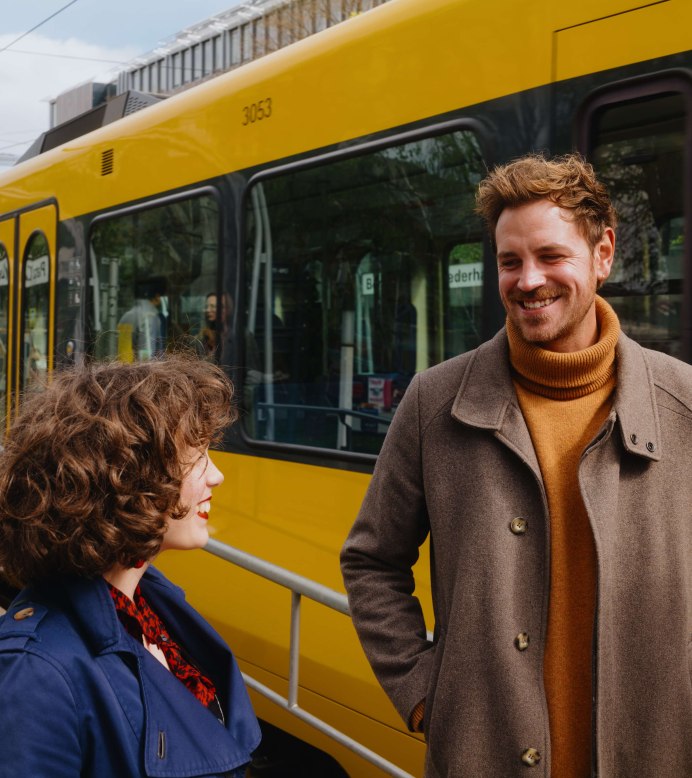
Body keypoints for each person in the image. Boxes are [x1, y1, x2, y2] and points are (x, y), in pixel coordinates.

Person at [341, 153, 691, 778]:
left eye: (551, 256)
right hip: (485, 753)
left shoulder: (684, 404)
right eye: (510, 261)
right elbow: (371, 560)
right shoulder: (435, 402)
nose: (528, 280)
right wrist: (425, 693)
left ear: (603, 253)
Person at [0, 355, 261, 778]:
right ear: (125, 475)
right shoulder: (34, 673)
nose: (217, 476)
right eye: (196, 456)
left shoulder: (152, 608)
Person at [118, 276, 168, 361]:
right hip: (141, 372)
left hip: (123, 371)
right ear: (157, 296)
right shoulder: (150, 317)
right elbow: (147, 355)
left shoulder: (126, 316)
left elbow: (122, 354)